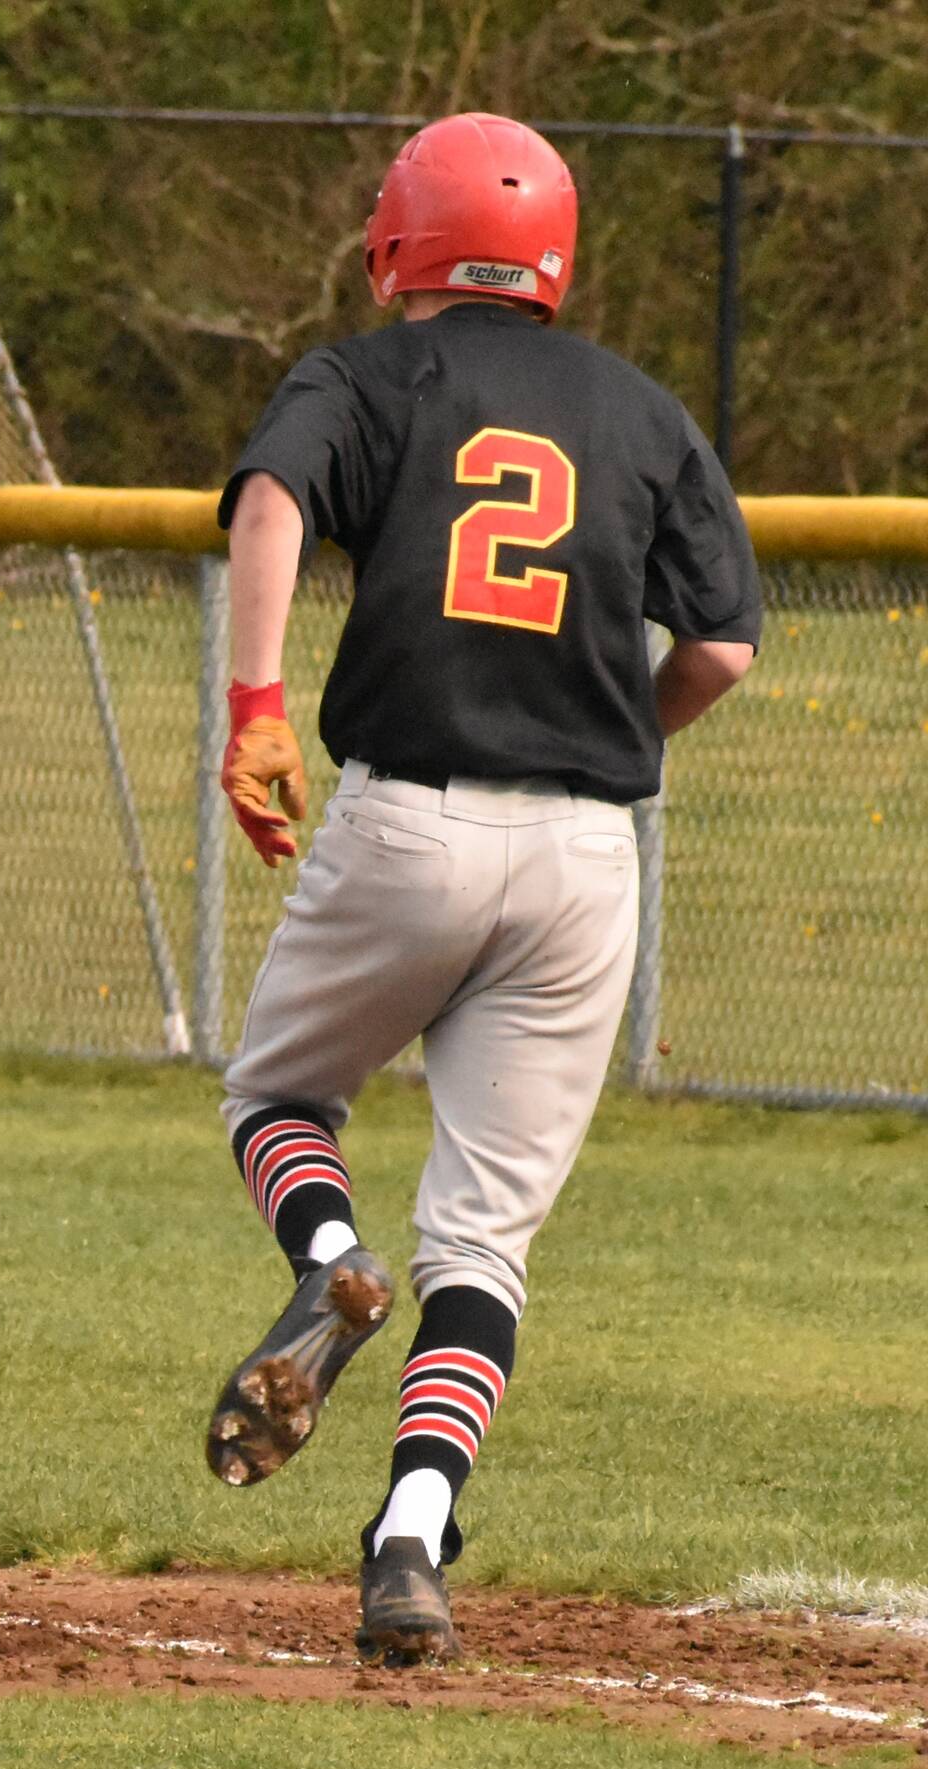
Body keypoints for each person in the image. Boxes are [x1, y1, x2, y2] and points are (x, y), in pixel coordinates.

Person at [202, 115, 760, 1665]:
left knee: (278, 1101)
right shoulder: (646, 412)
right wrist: (604, 740)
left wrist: (255, 711)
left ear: (399, 240)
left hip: (413, 824)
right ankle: (409, 1539)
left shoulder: (365, 375)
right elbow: (721, 648)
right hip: (588, 861)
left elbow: (270, 507)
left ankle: (325, 1266)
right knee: (485, 1245)